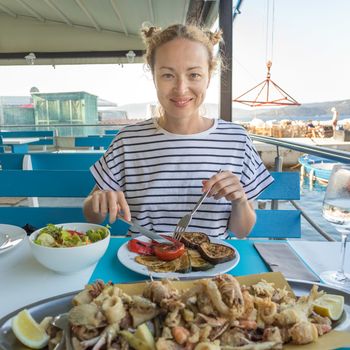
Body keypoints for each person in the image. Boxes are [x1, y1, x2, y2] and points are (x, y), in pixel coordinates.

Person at [83, 24, 274, 239]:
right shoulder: (127, 140)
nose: (181, 89)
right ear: (153, 76)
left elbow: (242, 231)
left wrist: (239, 200)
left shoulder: (237, 140)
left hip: (213, 266)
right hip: (141, 260)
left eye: (194, 75)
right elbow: (92, 216)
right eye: (167, 75)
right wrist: (98, 200)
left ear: (208, 77)